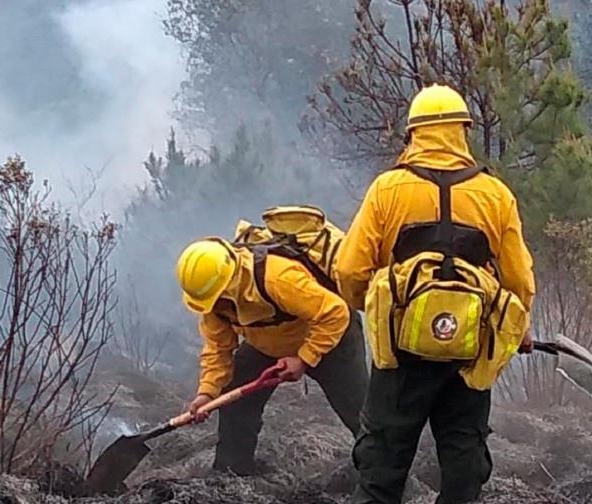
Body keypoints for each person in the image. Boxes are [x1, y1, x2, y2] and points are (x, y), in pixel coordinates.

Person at [337, 84, 536, 504]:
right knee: (464, 464)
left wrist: (374, 309)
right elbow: (519, 279)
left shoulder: (387, 189)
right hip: (470, 351)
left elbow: (350, 269)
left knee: (381, 465)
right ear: (464, 131)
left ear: (414, 134)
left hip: (399, 355)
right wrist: (519, 328)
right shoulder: (495, 194)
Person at [176, 237, 368, 475]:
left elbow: (335, 314)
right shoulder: (212, 302)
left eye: (218, 299)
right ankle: (230, 474)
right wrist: (207, 393)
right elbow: (218, 349)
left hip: (330, 336)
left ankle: (384, 477)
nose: (217, 306)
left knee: (362, 414)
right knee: (236, 401)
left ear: (230, 281)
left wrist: (304, 358)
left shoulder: (278, 278)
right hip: (267, 343)